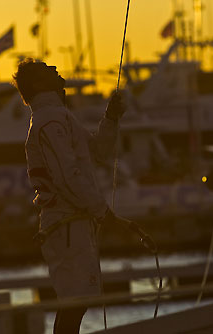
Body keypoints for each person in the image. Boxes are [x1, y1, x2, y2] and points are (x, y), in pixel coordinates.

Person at [13, 58, 126, 333]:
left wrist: (110, 118)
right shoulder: (49, 121)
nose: (56, 70)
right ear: (39, 83)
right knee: (75, 302)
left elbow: (98, 151)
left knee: (76, 301)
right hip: (65, 226)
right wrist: (102, 212)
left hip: (72, 224)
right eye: (47, 69)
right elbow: (67, 175)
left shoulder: (58, 117)